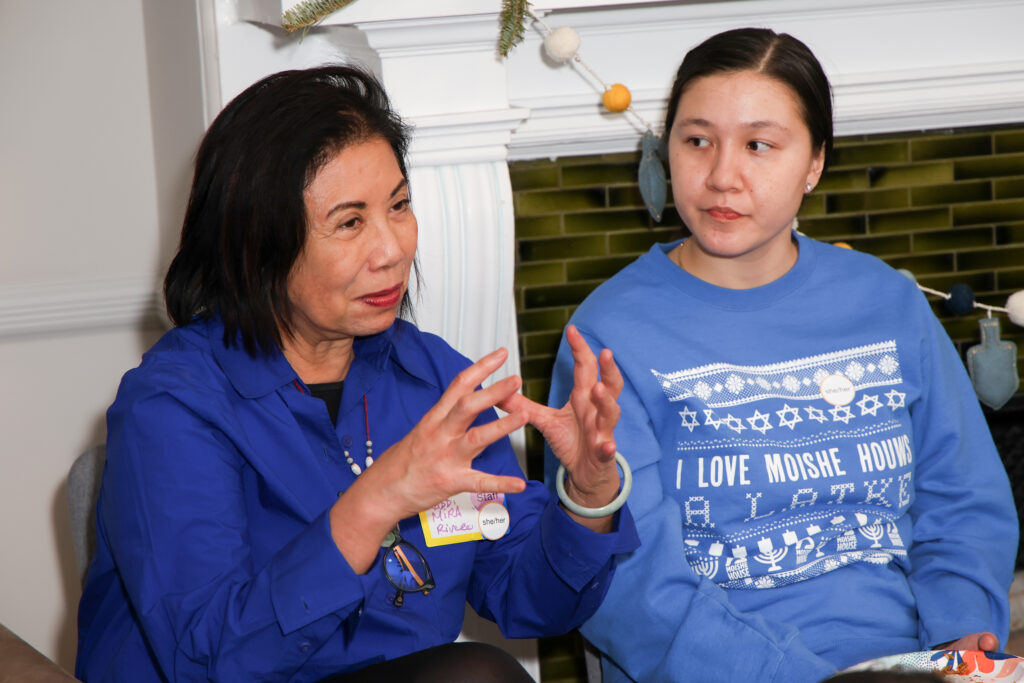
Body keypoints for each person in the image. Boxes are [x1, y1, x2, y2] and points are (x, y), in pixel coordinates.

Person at [75, 65, 638, 682]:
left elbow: (528, 598)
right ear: (255, 242)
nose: (392, 248)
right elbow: (207, 661)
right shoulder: (173, 407)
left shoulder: (430, 378)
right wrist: (377, 500)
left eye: (399, 206)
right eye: (350, 222)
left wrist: (586, 496)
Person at [545, 27, 1018, 682]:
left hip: (914, 662)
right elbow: (631, 591)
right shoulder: (608, 333)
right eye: (696, 140)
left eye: (759, 145)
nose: (720, 176)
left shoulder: (888, 302)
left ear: (814, 164)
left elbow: (962, 502)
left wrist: (960, 648)